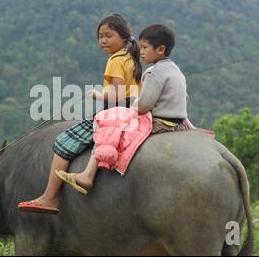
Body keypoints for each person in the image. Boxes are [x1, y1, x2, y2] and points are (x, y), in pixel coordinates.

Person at [18, 13, 142, 214]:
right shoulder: (132, 58)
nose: (103, 40)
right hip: (133, 112)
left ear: (123, 37)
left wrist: (97, 94)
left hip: (114, 112)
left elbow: (117, 92)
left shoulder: (115, 60)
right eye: (100, 36)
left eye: (108, 35)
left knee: (64, 142)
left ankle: (49, 197)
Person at [57, 23, 190, 194]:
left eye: (145, 47)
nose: (141, 51)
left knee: (110, 127)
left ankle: (88, 175)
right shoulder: (176, 70)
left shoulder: (154, 72)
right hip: (178, 122)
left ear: (160, 49)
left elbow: (144, 105)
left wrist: (132, 107)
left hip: (160, 122)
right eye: (141, 47)